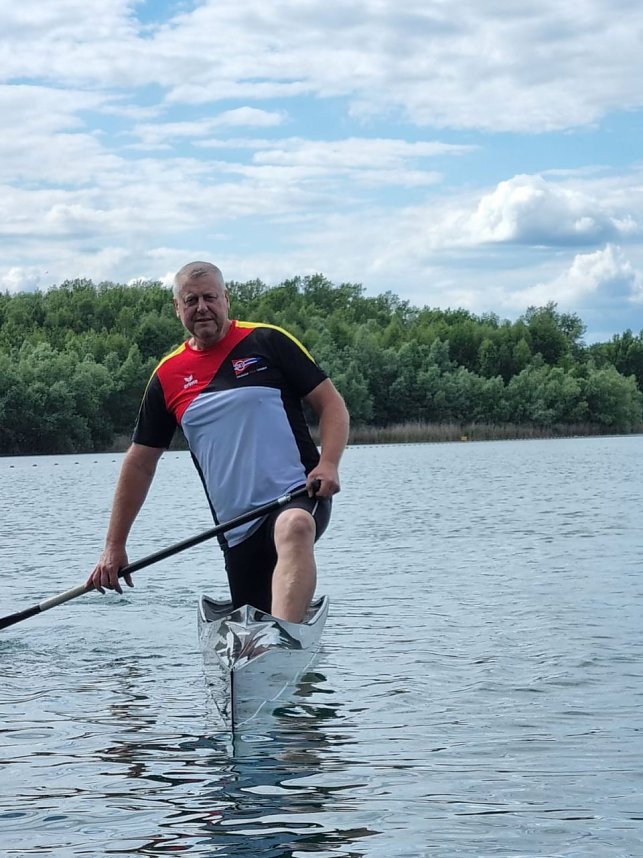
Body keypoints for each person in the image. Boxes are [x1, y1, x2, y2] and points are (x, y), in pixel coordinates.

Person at [87, 261, 349, 622]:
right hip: (236, 527)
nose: (201, 307)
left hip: (298, 493)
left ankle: (285, 638)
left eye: (210, 297)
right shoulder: (167, 376)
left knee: (295, 527)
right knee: (252, 609)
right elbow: (140, 462)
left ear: (226, 299)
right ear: (177, 308)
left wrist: (329, 462)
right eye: (190, 300)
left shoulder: (268, 341)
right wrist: (114, 547)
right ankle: (275, 625)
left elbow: (332, 404)